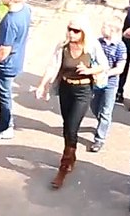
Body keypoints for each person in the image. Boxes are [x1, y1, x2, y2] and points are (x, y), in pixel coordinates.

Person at [36, 14, 107, 189]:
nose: (71, 33)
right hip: (66, 88)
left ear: (83, 32)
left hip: (83, 90)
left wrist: (89, 70)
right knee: (67, 125)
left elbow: (104, 65)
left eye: (76, 30)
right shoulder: (63, 46)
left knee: (72, 127)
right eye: (69, 29)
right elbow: (53, 66)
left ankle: (64, 166)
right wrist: (42, 85)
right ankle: (71, 154)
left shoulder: (92, 46)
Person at [0, 0, 31, 142]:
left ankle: (4, 128)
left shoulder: (10, 22)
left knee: (3, 95)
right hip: (17, 59)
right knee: (5, 94)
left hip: (6, 64)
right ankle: (4, 120)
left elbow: (5, 49)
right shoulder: (25, 10)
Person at [90, 16, 126, 152]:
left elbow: (120, 68)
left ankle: (99, 139)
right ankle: (103, 123)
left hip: (110, 83)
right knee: (94, 105)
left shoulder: (120, 47)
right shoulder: (98, 42)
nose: (101, 28)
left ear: (112, 30)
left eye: (104, 26)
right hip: (96, 81)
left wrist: (106, 73)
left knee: (106, 110)